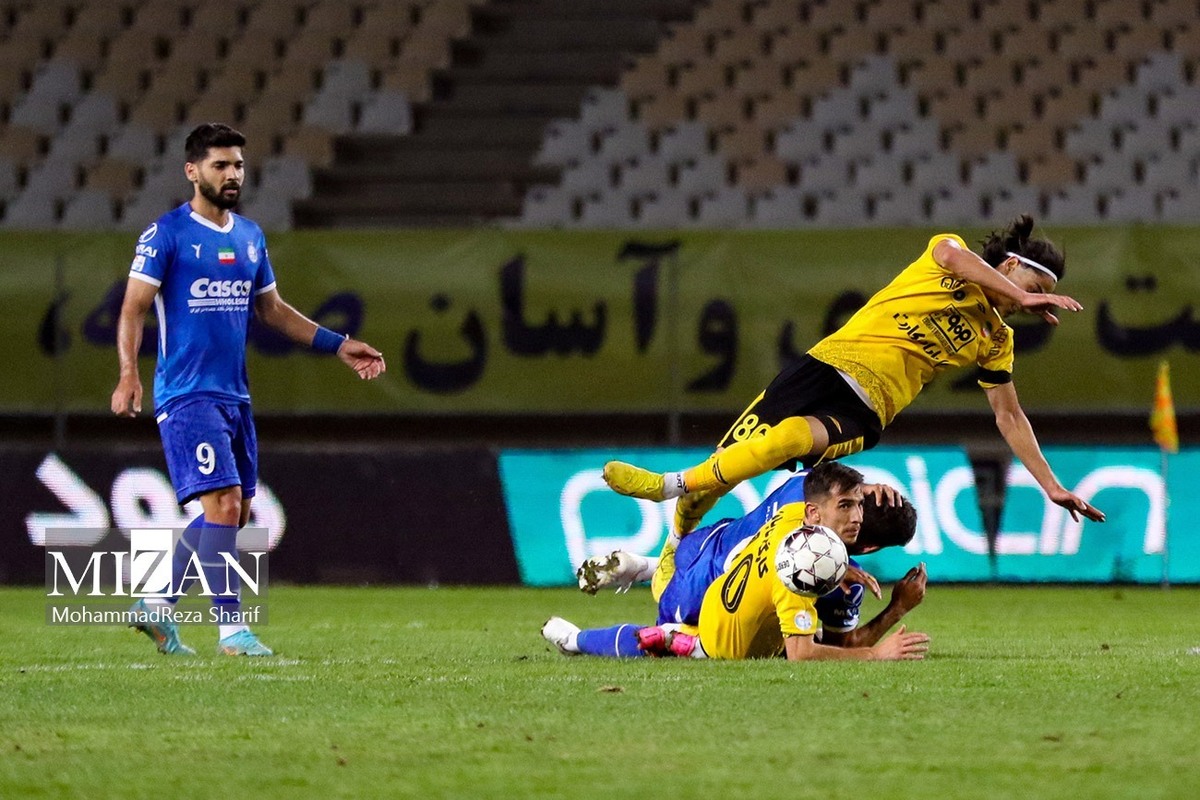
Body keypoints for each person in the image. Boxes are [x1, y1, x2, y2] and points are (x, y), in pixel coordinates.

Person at [602, 215, 1107, 536]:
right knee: (720, 471)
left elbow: (1010, 417)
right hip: (825, 366)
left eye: (1039, 296)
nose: (1030, 302)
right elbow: (955, 257)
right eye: (1033, 287)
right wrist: (1020, 295)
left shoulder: (997, 339)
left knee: (789, 439)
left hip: (866, 411)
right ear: (1010, 266)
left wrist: (1051, 485)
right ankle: (675, 541)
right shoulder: (948, 255)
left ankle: (667, 485)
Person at [111, 123, 386, 656]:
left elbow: (273, 310)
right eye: (220, 165)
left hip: (234, 396)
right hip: (187, 392)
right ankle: (232, 631)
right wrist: (128, 373)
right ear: (192, 171)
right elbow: (132, 309)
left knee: (231, 513)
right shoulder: (165, 234)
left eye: (237, 164)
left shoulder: (250, 236)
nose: (232, 174)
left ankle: (156, 604)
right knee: (223, 502)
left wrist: (338, 344)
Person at [542, 462, 930, 661]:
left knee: (675, 598)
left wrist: (858, 492)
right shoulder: (809, 568)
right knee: (663, 626)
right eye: (849, 505)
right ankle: (644, 574)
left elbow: (823, 472)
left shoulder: (801, 501)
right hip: (698, 598)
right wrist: (890, 621)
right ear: (871, 549)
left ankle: (654, 555)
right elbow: (820, 650)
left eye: (859, 504)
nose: (855, 514)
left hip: (713, 543)